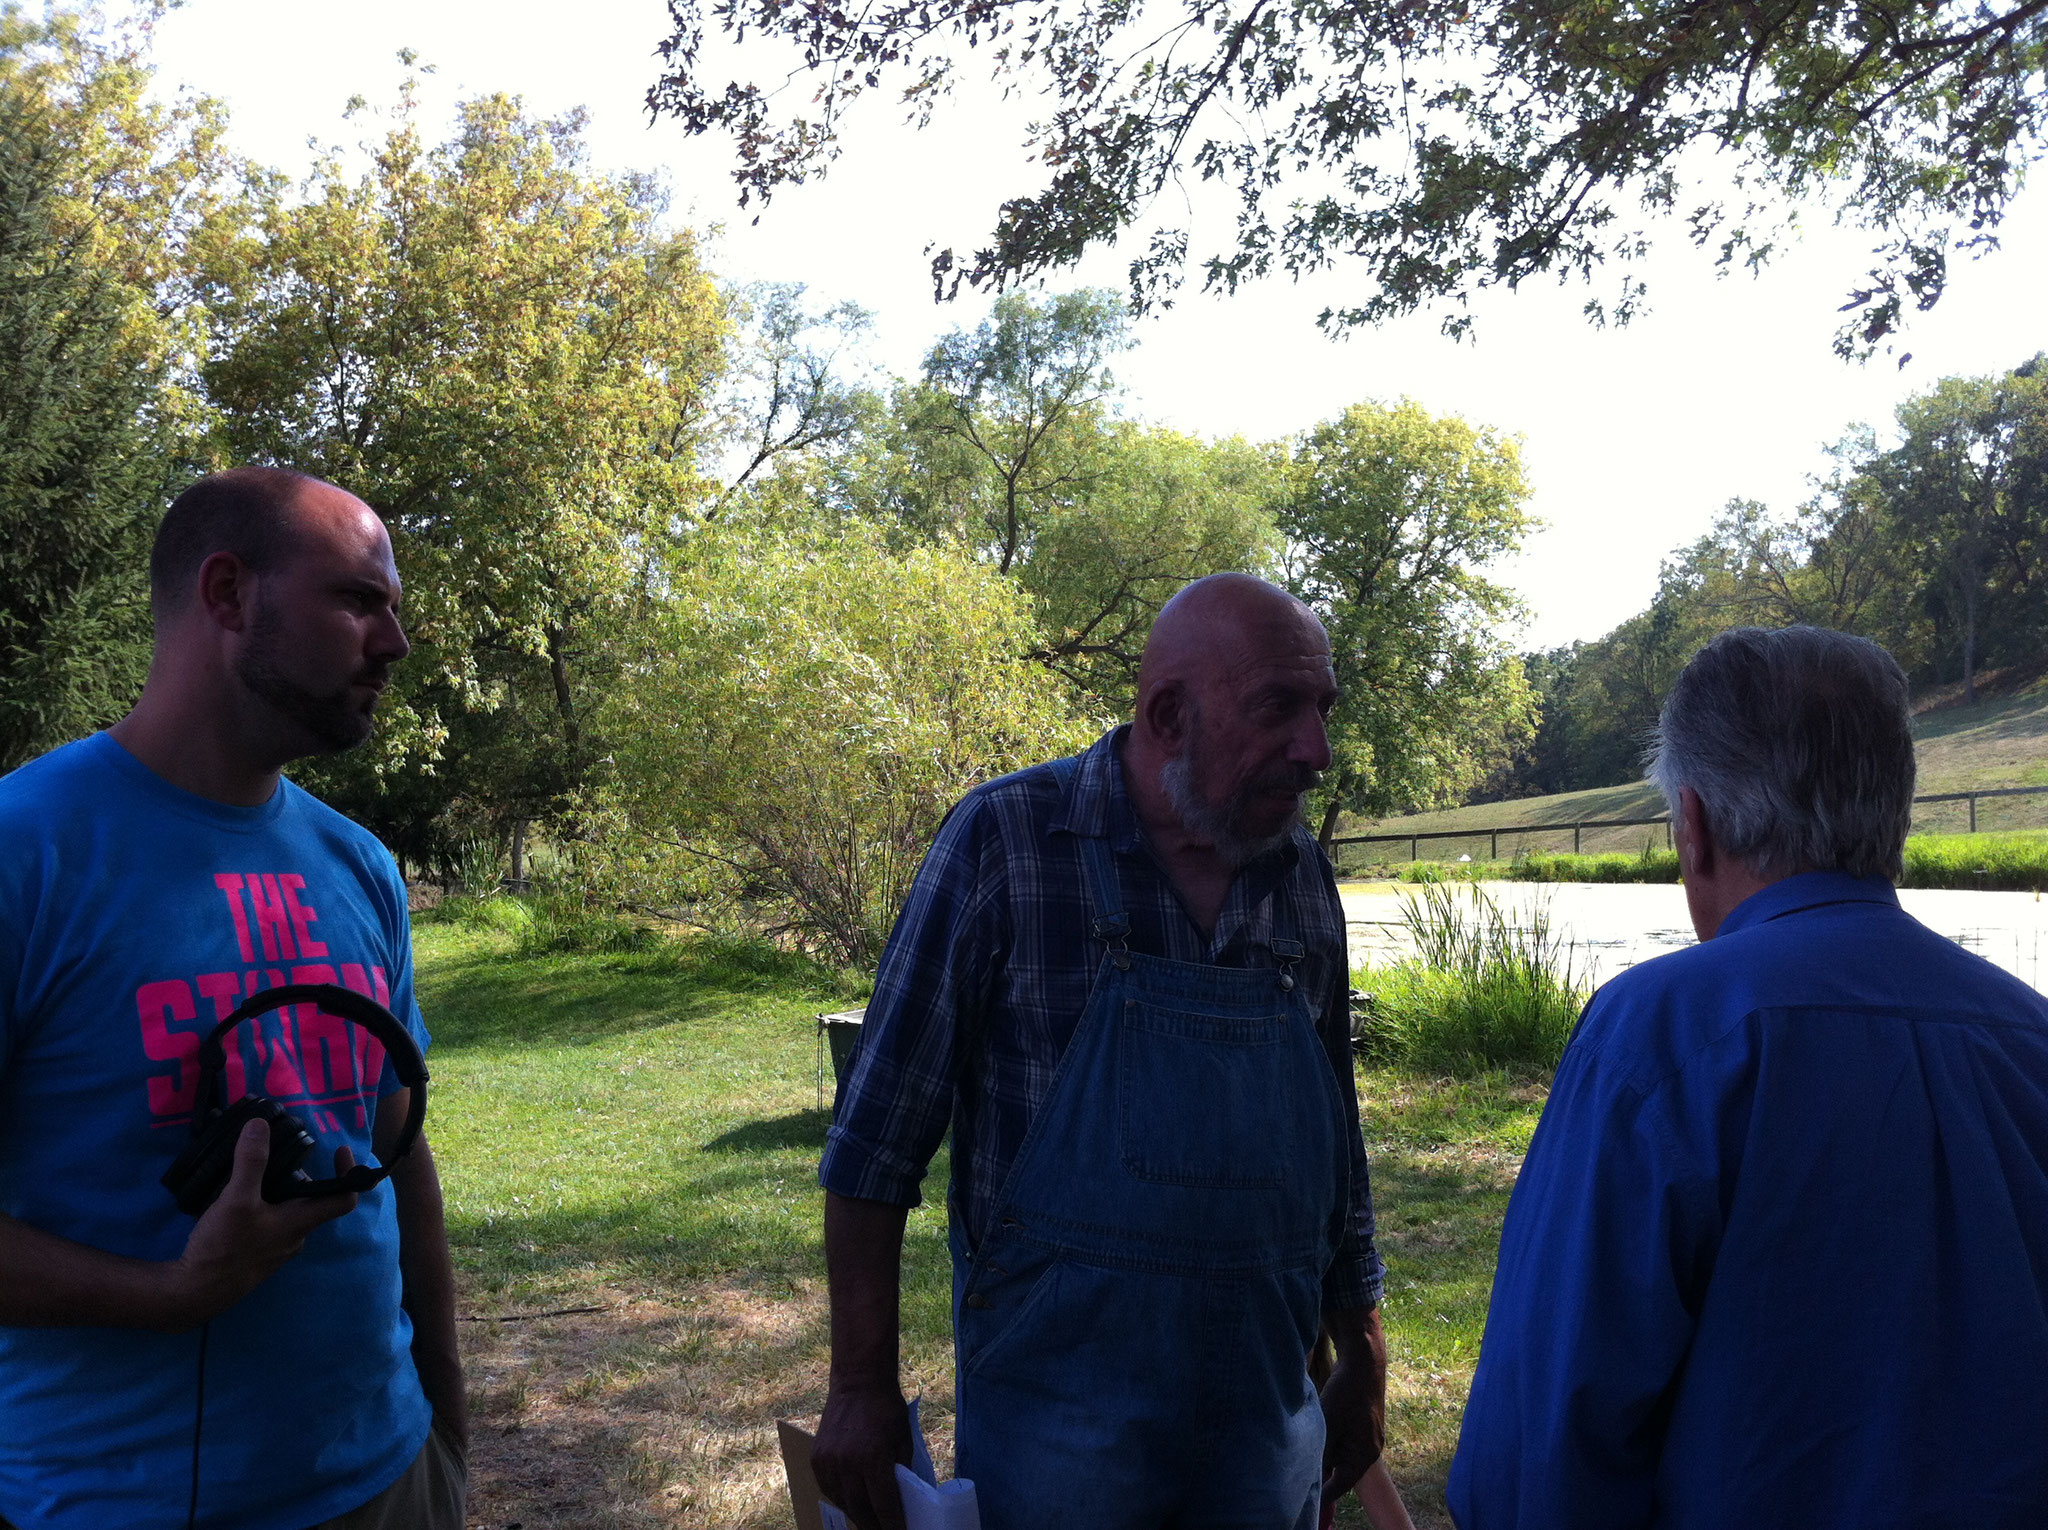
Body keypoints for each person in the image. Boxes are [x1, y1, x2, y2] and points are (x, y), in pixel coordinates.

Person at [813, 573, 1389, 1530]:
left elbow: (1336, 1146)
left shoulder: (1300, 879)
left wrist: (1361, 1349)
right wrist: (861, 1386)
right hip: (1055, 1445)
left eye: (1322, 709)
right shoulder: (1005, 844)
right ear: (1169, 714)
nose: (1316, 749)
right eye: (1279, 709)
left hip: (1263, 1433)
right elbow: (874, 1145)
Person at [1447, 626, 2048, 1529]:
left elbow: (1543, 1448)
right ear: (1895, 811)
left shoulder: (1663, 1037)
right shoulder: (2028, 1035)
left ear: (1692, 825)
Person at [0, 468, 467, 1529]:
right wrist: (166, 1297)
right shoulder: (24, 854)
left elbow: (402, 1162)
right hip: (109, 1503)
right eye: (359, 600)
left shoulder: (358, 866)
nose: (393, 643)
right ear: (228, 595)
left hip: (390, 1482)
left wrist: (445, 1436)